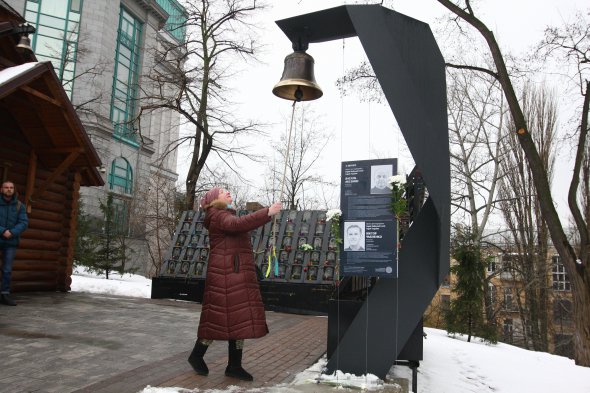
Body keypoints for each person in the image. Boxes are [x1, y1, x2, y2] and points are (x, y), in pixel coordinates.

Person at [188, 187, 281, 381]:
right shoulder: (217, 215)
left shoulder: (223, 215)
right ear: (215, 199)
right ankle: (196, 356)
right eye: (223, 191)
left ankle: (234, 366)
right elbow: (238, 224)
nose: (228, 192)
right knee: (216, 320)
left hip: (234, 275)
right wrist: (267, 212)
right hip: (225, 276)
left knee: (239, 320)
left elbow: (238, 224)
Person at [0, 180, 28, 306]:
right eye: (6, 187)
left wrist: (11, 232)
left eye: (11, 187)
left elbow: (24, 222)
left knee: (7, 270)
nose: (9, 189)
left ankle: (4, 295)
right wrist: (2, 231)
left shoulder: (19, 206)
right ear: (2, 189)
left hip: (10, 242)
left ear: (14, 190)